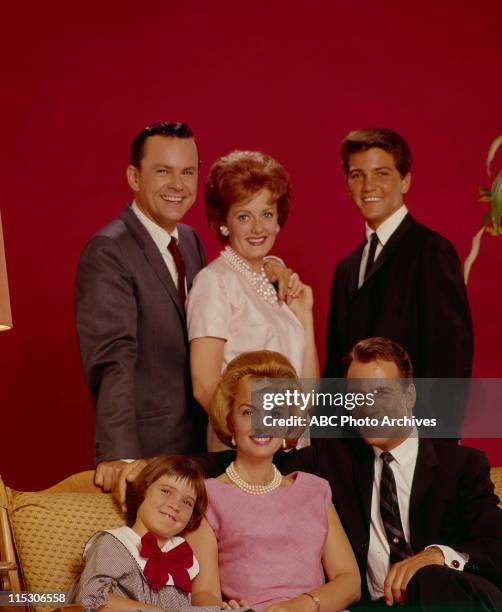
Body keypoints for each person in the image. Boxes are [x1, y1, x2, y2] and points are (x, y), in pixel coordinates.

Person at [76, 123, 296, 486]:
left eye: (187, 172)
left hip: (202, 444)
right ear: (133, 176)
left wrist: (272, 266)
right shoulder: (109, 250)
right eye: (163, 171)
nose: (177, 184)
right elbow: (111, 358)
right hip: (148, 447)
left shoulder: (189, 241)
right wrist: (118, 454)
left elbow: (216, 308)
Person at [295, 338, 502, 609]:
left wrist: (437, 556)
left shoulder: (461, 465)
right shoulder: (333, 459)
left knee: (430, 578)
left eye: (382, 392)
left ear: (409, 396)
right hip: (377, 605)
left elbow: (496, 545)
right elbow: (248, 463)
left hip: (449, 597)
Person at [186, 350, 360, 612]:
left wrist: (299, 606)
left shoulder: (315, 489)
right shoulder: (208, 496)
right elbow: (204, 593)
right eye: (248, 412)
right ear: (230, 419)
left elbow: (350, 582)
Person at [187, 151, 319, 450]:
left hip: (292, 450)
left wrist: (305, 318)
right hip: (243, 454)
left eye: (267, 214)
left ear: (278, 219)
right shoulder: (215, 282)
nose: (258, 228)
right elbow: (204, 385)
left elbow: (308, 392)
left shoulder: (276, 283)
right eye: (244, 216)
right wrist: (255, 440)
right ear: (224, 223)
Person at [324, 128, 473, 380]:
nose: (368, 186)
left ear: (405, 181)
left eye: (381, 173)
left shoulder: (432, 251)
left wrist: (434, 421)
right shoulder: (346, 269)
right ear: (347, 184)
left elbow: (450, 358)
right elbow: (335, 368)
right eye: (357, 175)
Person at [72, 455, 223, 612]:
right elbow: (89, 598)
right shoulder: (116, 542)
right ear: (143, 491)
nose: (176, 505)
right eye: (166, 491)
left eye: (187, 502)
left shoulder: (184, 556)